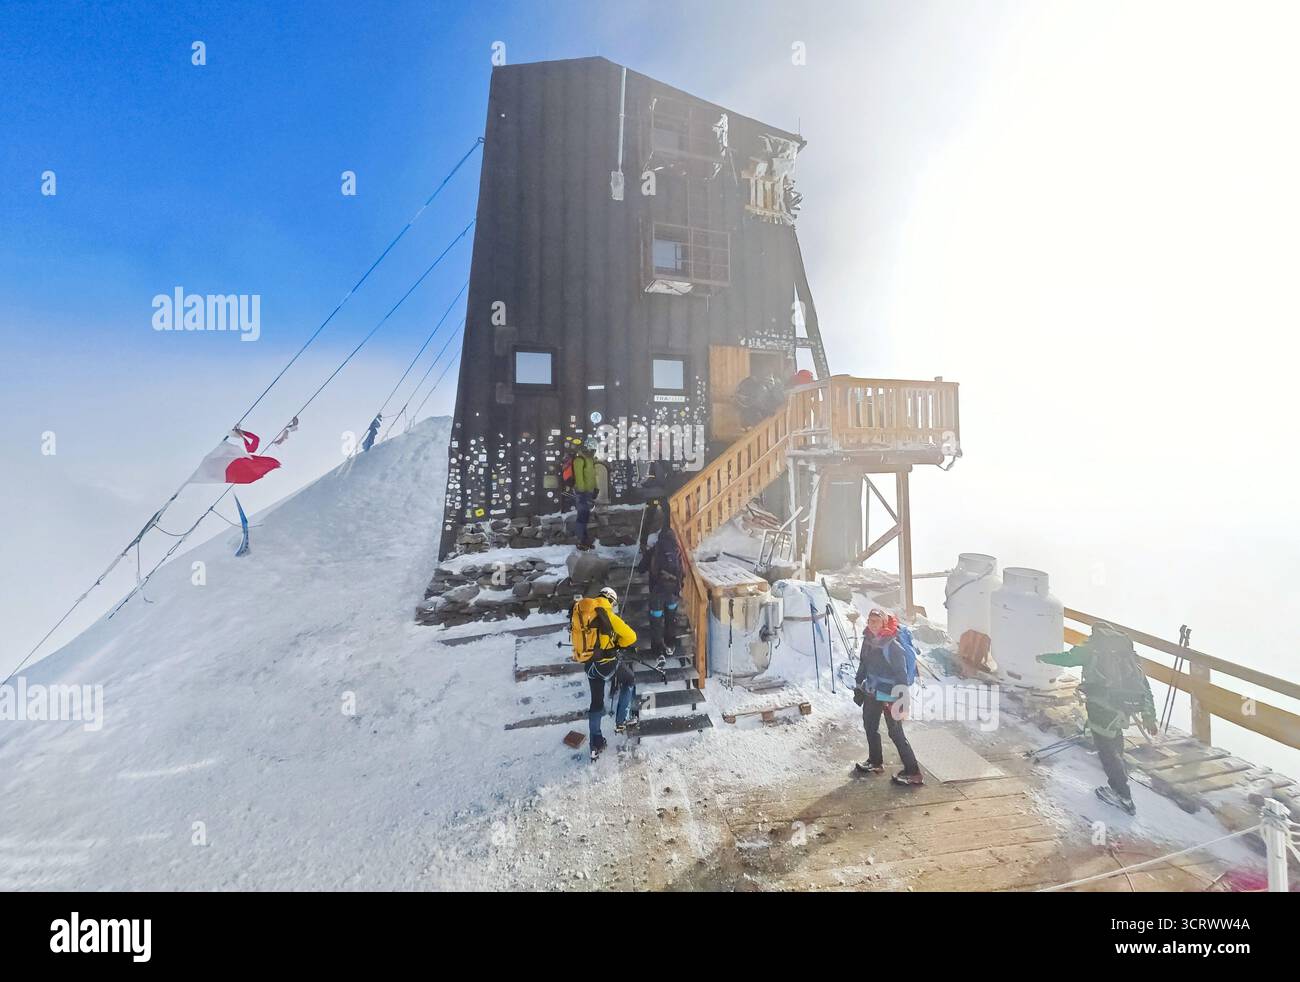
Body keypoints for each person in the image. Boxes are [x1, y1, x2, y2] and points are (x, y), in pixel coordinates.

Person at [1038, 621, 1157, 815]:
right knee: (1114, 738)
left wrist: (1042, 658)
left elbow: (1068, 659)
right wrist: (1149, 716)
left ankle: (1122, 795)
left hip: (1102, 706)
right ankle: (1120, 778)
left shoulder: (1093, 648)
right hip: (1123, 705)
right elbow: (1144, 685)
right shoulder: (1128, 653)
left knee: (1106, 750)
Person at [853, 607, 923, 786]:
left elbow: (901, 674)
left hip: (890, 694)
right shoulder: (868, 640)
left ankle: (913, 772)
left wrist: (901, 701)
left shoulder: (893, 646)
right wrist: (858, 686)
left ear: (884, 622)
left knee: (895, 732)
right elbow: (863, 664)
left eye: (876, 621)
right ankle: (875, 762)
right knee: (870, 725)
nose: (872, 624)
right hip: (871, 691)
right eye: (870, 620)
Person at [569, 586, 638, 759]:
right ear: (612, 601)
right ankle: (622, 720)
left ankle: (596, 744)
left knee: (596, 703)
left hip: (590, 666)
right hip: (607, 664)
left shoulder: (583, 612)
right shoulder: (607, 614)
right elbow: (631, 637)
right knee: (629, 680)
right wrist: (618, 645)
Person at [636, 526, 683, 662]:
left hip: (657, 591)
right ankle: (670, 644)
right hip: (673, 592)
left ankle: (658, 650)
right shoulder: (677, 550)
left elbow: (641, 568)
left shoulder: (655, 549)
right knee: (670, 618)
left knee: (656, 621)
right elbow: (682, 571)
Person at [572, 440, 599, 550]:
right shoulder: (580, 459)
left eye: (594, 450)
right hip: (581, 493)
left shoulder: (590, 460)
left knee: (586, 517)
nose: (593, 451)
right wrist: (583, 492)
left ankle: (585, 541)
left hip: (589, 492)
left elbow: (593, 475)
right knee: (582, 517)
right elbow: (579, 478)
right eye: (592, 449)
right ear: (586, 448)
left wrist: (595, 488)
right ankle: (580, 541)